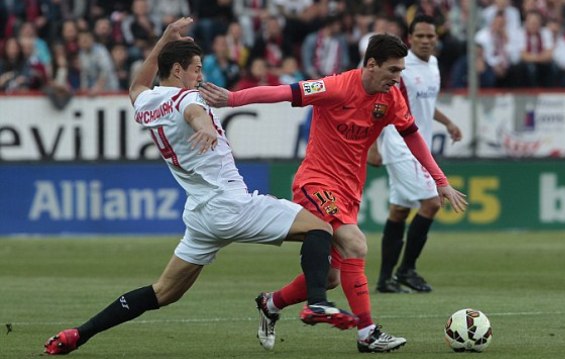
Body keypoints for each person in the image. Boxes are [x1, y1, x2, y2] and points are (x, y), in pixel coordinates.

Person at [43, 17, 356, 356]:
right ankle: (318, 303)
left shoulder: (147, 104)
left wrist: (163, 39)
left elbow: (136, 85)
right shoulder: (187, 98)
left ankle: (78, 334)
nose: (200, 76)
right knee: (321, 228)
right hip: (231, 205)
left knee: (164, 292)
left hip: (201, 213)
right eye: (195, 69)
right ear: (177, 70)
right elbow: (194, 111)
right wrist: (204, 125)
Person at [200, 33, 468, 353]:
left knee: (330, 279)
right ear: (371, 64)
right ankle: (367, 333)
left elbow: (413, 137)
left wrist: (439, 179)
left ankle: (271, 303)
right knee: (356, 242)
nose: (398, 78)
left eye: (400, 71)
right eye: (393, 70)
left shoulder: (391, 98)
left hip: (350, 190)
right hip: (316, 182)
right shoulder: (336, 86)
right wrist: (232, 99)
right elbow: (282, 92)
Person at [366, 16, 462, 295]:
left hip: (420, 144)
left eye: (430, 36)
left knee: (399, 210)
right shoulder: (402, 70)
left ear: (436, 38)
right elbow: (379, 102)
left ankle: (385, 279)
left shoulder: (432, 65)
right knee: (431, 203)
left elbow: (424, 104)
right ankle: (406, 269)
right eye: (419, 36)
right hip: (399, 144)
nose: (425, 41)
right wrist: (373, 145)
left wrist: (447, 122)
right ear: (410, 38)